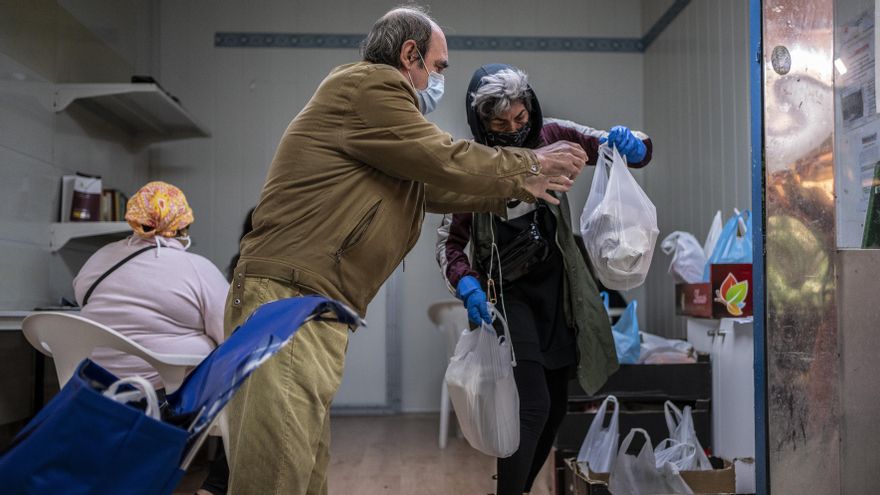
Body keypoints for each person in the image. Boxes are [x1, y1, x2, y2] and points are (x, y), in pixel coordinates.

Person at [224, 6, 590, 495]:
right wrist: (527, 166)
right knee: (275, 475)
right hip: (288, 298)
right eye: (438, 67)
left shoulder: (382, 134)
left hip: (313, 305)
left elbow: (430, 190)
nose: (439, 79)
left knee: (303, 469)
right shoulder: (369, 87)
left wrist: (522, 187)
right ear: (410, 54)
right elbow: (440, 159)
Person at [435, 64, 653, 495]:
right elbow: (450, 243)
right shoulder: (472, 161)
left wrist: (635, 144)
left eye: (519, 119)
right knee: (531, 406)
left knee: (553, 410)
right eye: (500, 124)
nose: (514, 131)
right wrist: (466, 284)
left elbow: (620, 147)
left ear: (529, 110)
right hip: (507, 296)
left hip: (556, 292)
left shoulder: (551, 135)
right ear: (481, 123)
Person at [72, 181, 230, 494]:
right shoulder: (196, 268)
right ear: (183, 224)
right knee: (252, 372)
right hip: (165, 398)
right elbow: (230, 334)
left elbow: (81, 299)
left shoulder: (99, 260)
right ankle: (215, 486)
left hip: (94, 389)